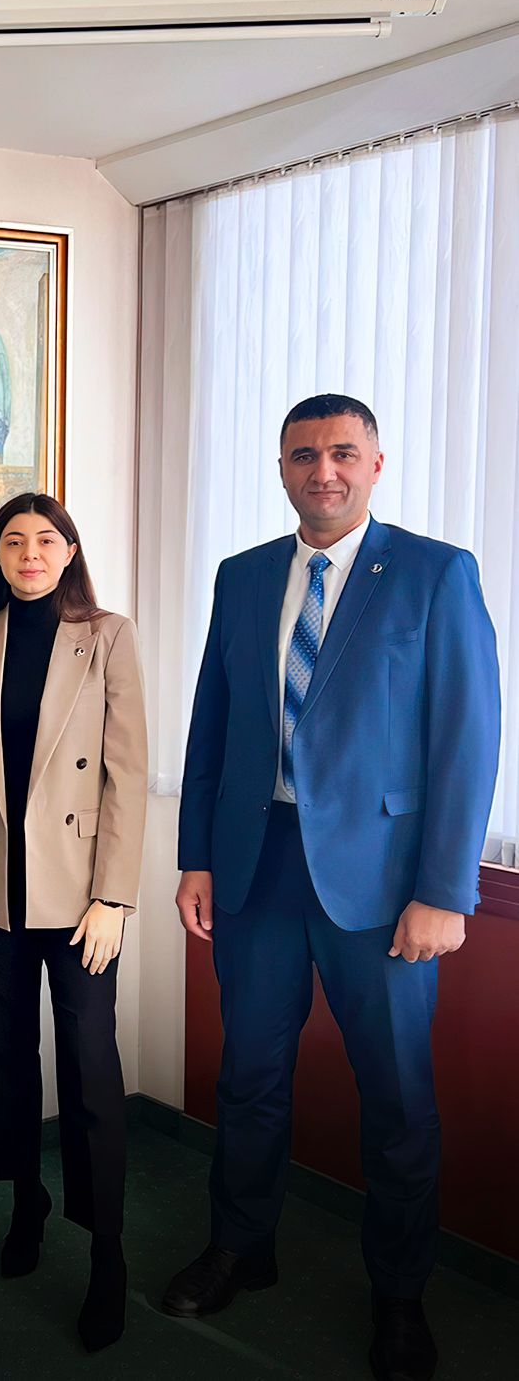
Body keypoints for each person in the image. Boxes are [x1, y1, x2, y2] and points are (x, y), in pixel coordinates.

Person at [161, 396, 501, 1381]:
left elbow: (468, 739)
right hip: (256, 866)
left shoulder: (436, 573)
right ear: (282, 466)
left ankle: (399, 1295)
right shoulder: (243, 576)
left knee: (396, 1097)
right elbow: (213, 723)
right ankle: (242, 1247)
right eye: (304, 454)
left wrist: (446, 890)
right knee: (249, 1078)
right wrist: (196, 856)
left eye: (343, 453)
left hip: (385, 889)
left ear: (376, 463)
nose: (324, 471)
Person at [0, 493, 147, 1352]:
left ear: (69, 551)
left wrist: (116, 898)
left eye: (45, 539)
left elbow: (127, 775)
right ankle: (25, 1200)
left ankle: (107, 1252)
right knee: (6, 1059)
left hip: (80, 901)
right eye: (12, 541)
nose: (29, 553)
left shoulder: (107, 635)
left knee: (91, 1072)